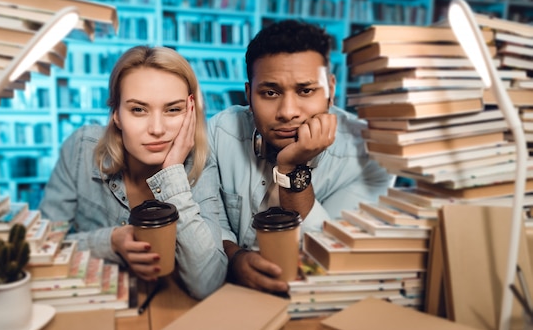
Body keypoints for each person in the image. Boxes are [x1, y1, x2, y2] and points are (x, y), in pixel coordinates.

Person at [207, 20, 393, 294]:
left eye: (305, 91)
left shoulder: (370, 155)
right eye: (270, 93)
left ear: (330, 90)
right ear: (249, 95)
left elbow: (334, 257)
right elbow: (207, 220)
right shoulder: (220, 132)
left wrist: (294, 170)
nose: (288, 112)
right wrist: (234, 258)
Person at [40, 46, 227, 300]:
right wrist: (111, 242)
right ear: (116, 114)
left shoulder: (200, 164)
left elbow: (208, 282)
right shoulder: (81, 150)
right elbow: (42, 247)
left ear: (191, 112)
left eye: (173, 110)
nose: (157, 129)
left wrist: (172, 173)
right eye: (138, 109)